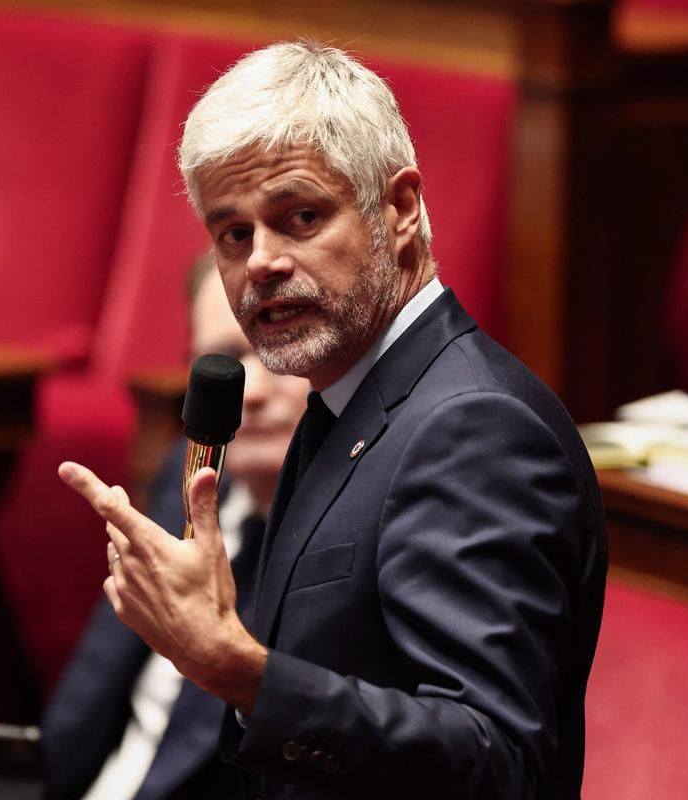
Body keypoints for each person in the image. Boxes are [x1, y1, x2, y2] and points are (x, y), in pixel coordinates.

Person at [58, 41, 607, 799]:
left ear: (402, 208)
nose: (261, 262)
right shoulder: (346, 400)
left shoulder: (473, 428)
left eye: (301, 216)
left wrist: (238, 670)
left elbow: (497, 761)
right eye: (234, 234)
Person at [42, 258, 311, 799]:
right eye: (227, 361)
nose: (252, 393)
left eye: (278, 355)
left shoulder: (362, 534)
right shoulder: (190, 472)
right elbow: (85, 707)